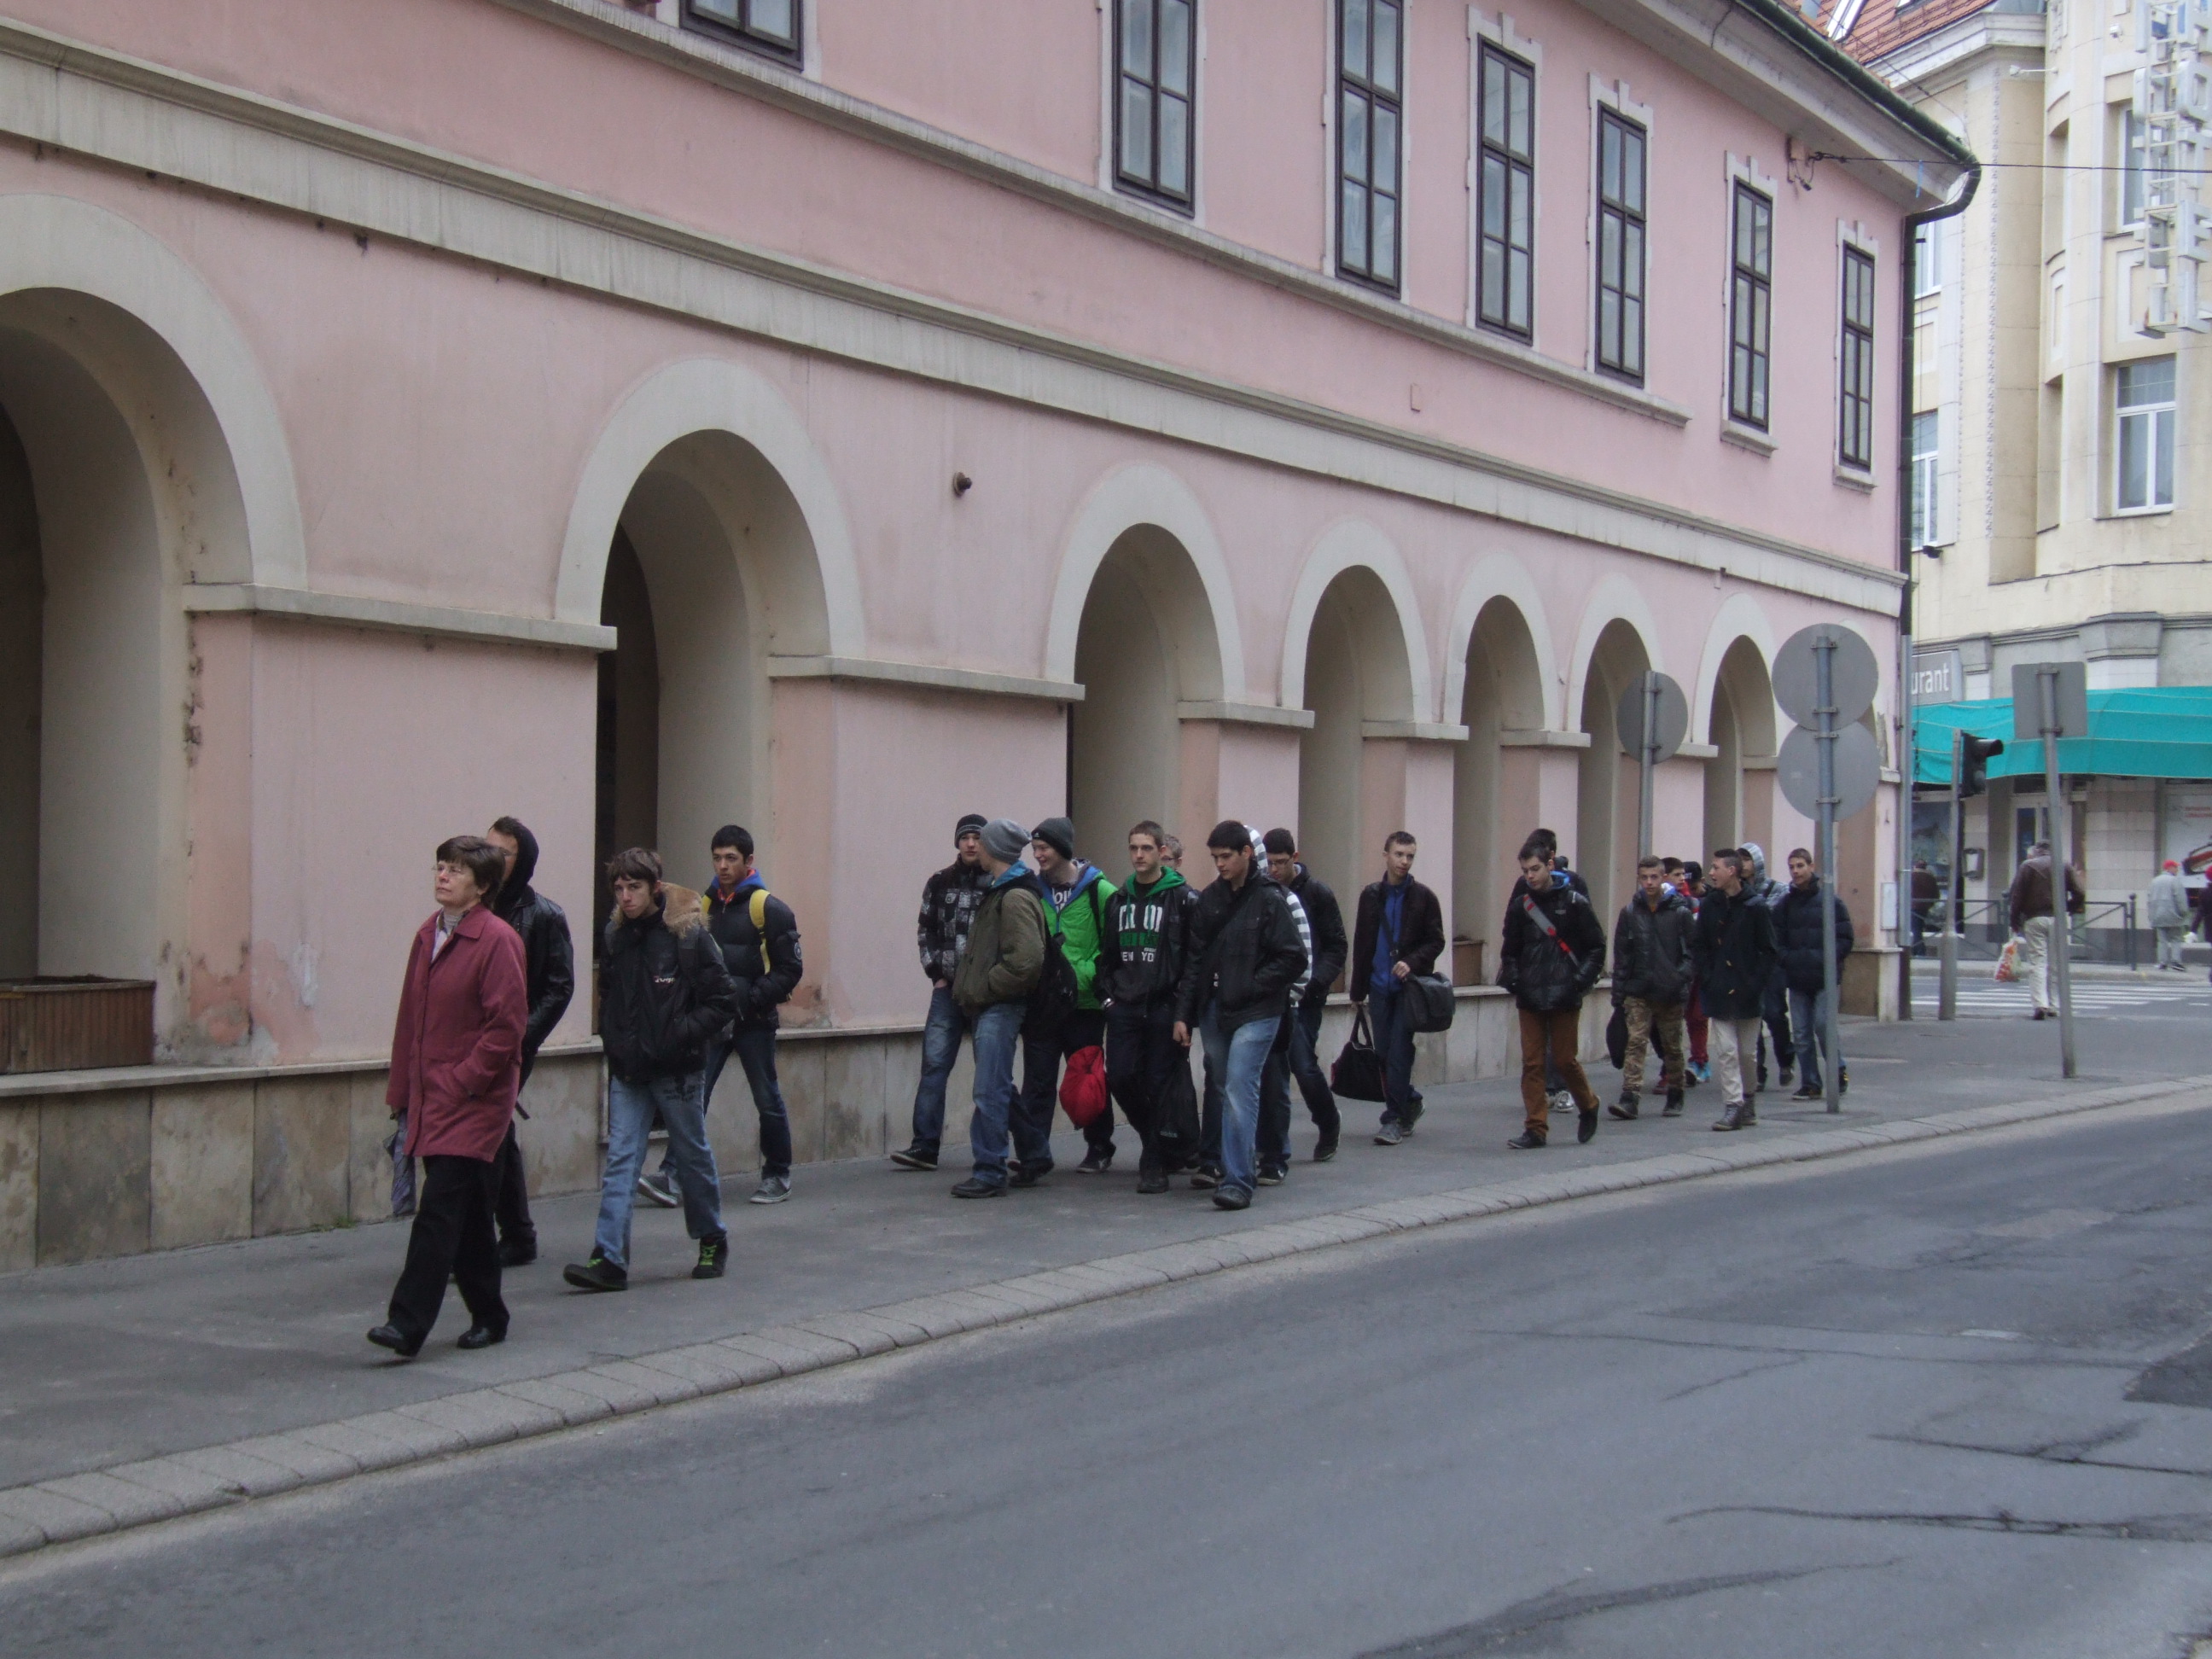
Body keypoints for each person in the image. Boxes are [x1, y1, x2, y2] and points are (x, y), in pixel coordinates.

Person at [369, 835, 528, 1358]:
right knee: (470, 1217)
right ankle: (490, 1315)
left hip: (475, 1102)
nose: (443, 876)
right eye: (440, 866)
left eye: (456, 870)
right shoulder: (428, 934)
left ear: (482, 887)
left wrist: (464, 1080)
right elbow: (409, 1021)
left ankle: (406, 1323)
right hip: (432, 1097)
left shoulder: (498, 940)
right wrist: (403, 1091)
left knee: (438, 1212)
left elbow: (506, 1028)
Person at [564, 848, 736, 1291]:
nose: (625, 897)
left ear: (655, 888)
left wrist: (679, 1033)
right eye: (619, 888)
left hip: (677, 1070)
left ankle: (711, 1238)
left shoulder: (687, 935)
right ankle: (609, 1258)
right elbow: (609, 995)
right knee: (622, 1159)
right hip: (630, 1068)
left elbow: (722, 1001)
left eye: (634, 887)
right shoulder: (616, 935)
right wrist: (613, 1040)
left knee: (691, 1154)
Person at [1174, 821, 1307, 1211]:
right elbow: (1194, 961)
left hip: (1259, 1009)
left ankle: (1238, 1180)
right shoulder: (1210, 900)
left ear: (1247, 853)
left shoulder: (1270, 899)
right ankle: (1229, 1163)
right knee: (1222, 1085)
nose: (1220, 864)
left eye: (1226, 856)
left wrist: (1252, 984)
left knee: (1238, 1086)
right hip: (1216, 1008)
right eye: (1215, 857)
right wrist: (1183, 1014)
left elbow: (1293, 957)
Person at [691, 825, 804, 1204]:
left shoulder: (769, 908)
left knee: (766, 1099)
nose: (723, 866)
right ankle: (674, 1172)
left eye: (731, 858)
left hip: (754, 1021)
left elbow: (790, 969)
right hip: (713, 1021)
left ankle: (777, 1174)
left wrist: (753, 999)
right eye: (717, 858)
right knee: (694, 1095)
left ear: (749, 861)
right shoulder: (704, 907)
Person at [482, 817, 575, 1268]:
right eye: (487, 848)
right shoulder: (474, 906)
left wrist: (522, 1037)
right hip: (472, 1042)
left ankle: (501, 1236)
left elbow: (559, 987)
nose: (491, 858)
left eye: (503, 853)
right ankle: (516, 1233)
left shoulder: (544, 915)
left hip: (514, 1044)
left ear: (522, 862)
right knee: (496, 1133)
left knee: (489, 1131)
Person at [948, 819, 1051, 1198]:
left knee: (989, 1089)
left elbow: (1026, 962)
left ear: (995, 849)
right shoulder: (1002, 889)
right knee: (999, 1085)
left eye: (983, 842)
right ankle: (1035, 1153)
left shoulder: (1014, 896)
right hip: (992, 1003)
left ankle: (990, 1170)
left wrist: (987, 986)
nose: (976, 846)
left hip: (1000, 1005)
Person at [1099, 820, 1200, 1193]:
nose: (1139, 855)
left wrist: (1183, 1012)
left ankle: (1154, 1162)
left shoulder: (1183, 898)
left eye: (1146, 848)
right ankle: (1153, 1139)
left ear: (1161, 851)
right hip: (1124, 1005)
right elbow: (1107, 954)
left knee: (1158, 1083)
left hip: (1163, 1005)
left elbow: (1193, 960)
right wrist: (1108, 998)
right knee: (1119, 1076)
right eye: (1133, 848)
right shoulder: (1118, 900)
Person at [893, 814, 991, 1170]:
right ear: (957, 842)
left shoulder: (998, 883)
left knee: (990, 1073)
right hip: (947, 992)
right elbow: (925, 930)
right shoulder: (939, 882)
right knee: (934, 1066)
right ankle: (924, 1146)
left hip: (986, 994)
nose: (971, 844)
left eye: (977, 837)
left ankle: (997, 1149)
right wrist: (935, 974)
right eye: (965, 837)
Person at [1021, 818, 1118, 1175]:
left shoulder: (1099, 891)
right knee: (1038, 1081)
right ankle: (1034, 1154)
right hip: (1044, 1003)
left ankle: (1099, 1146)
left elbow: (1114, 945)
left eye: (1044, 848)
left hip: (1084, 1003)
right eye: (1035, 849)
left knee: (1087, 1078)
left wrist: (1089, 975)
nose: (1038, 855)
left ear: (1062, 848)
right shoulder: (1032, 890)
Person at [1499, 837, 1605, 1149]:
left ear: (1550, 865)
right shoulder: (1521, 906)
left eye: (1535, 869)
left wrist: (1579, 980)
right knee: (1532, 1063)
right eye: (1525, 871)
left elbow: (1596, 947)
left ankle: (1588, 1104)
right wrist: (1515, 978)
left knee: (1564, 1060)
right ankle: (1536, 1128)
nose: (1530, 876)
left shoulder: (1573, 902)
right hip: (1530, 993)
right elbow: (1510, 949)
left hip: (1564, 993)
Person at [1350, 831, 1447, 1146]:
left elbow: (1436, 941)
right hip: (1378, 986)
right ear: (1386, 855)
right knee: (1383, 1052)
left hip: (1408, 989)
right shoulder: (1371, 896)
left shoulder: (1424, 898)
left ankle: (1392, 1119)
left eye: (1410, 856)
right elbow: (1362, 943)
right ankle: (1410, 1100)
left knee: (1399, 1052)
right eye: (1399, 854)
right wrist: (1357, 991)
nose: (1404, 861)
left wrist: (1412, 962)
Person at [1262, 829, 1346, 1162]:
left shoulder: (1317, 894)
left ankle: (1328, 1122)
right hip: (1274, 995)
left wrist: (1316, 982)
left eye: (1281, 863)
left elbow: (1337, 945)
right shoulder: (1265, 891)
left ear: (1294, 859)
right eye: (1269, 863)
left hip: (1307, 997)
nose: (1274, 870)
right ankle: (1273, 1145)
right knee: (1274, 1072)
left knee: (1302, 1064)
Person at [1694, 847, 1779, 1132]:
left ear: (1731, 871)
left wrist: (1755, 983)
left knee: (1747, 1054)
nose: (1711, 873)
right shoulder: (1710, 905)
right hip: (1718, 989)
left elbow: (1769, 951)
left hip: (1747, 991)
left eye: (1715, 867)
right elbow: (1699, 946)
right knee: (1727, 1051)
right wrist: (1708, 977)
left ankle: (1748, 1099)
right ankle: (1732, 1105)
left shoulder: (1755, 906)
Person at [1609, 854, 1691, 1121]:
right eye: (1644, 878)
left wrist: (1679, 978)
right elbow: (1622, 955)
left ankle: (1676, 1091)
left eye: (1654, 877)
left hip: (1670, 991)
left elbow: (1693, 953)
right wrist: (1619, 994)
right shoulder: (1630, 913)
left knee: (1672, 1046)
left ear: (1663, 877)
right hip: (1639, 988)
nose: (1649, 882)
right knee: (1636, 1042)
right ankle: (1630, 1096)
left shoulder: (1679, 912)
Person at [1774, 847, 1854, 1100]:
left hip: (1824, 977)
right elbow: (1776, 939)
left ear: (1811, 867)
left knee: (1823, 1025)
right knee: (1800, 1033)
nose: (1795, 872)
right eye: (1792, 867)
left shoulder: (1831, 901)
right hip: (1797, 977)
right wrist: (1787, 959)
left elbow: (1845, 938)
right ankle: (1810, 1082)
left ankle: (1837, 1070)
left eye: (1800, 866)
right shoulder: (1786, 905)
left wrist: (1827, 959)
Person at [1738, 841, 1796, 1091]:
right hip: (1747, 962)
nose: (1743, 865)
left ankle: (1786, 1058)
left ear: (1757, 863)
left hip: (1772, 962)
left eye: (1747, 859)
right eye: (1740, 859)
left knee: (1774, 1013)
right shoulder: (1736, 892)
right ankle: (1757, 1070)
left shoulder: (1778, 890)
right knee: (1752, 1018)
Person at [2007, 840, 2086, 1020]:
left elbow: (2016, 896)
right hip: (2058, 918)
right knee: (2056, 964)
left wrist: (2014, 921)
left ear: (2037, 851)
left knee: (2037, 962)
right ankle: (2053, 1005)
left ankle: (2040, 1004)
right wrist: (2070, 907)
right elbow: (2080, 892)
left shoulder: (2027, 866)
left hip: (2034, 918)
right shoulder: (2064, 866)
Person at [1679, 859, 1711, 1086]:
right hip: (1683, 966)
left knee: (1698, 1017)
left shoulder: (1710, 902)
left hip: (1702, 967)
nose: (1690, 890)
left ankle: (1699, 1061)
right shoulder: (1679, 902)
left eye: (1694, 886)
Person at [2150, 859, 2191, 972]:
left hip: (2158, 915)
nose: (2177, 869)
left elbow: (2150, 900)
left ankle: (2162, 962)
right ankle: (2176, 961)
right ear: (2169, 868)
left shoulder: (2154, 881)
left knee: (2161, 940)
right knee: (2176, 939)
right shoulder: (2174, 881)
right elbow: (2180, 899)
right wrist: (2184, 913)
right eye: (2175, 867)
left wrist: (2151, 916)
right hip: (2173, 915)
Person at [1909, 860, 1941, 958]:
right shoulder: (1931, 878)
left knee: (1915, 929)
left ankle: (1919, 951)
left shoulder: (1911, 876)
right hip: (1924, 907)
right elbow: (1936, 895)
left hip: (1912, 906)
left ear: (1915, 866)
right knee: (1917, 928)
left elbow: (1906, 891)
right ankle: (1915, 950)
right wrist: (1929, 904)